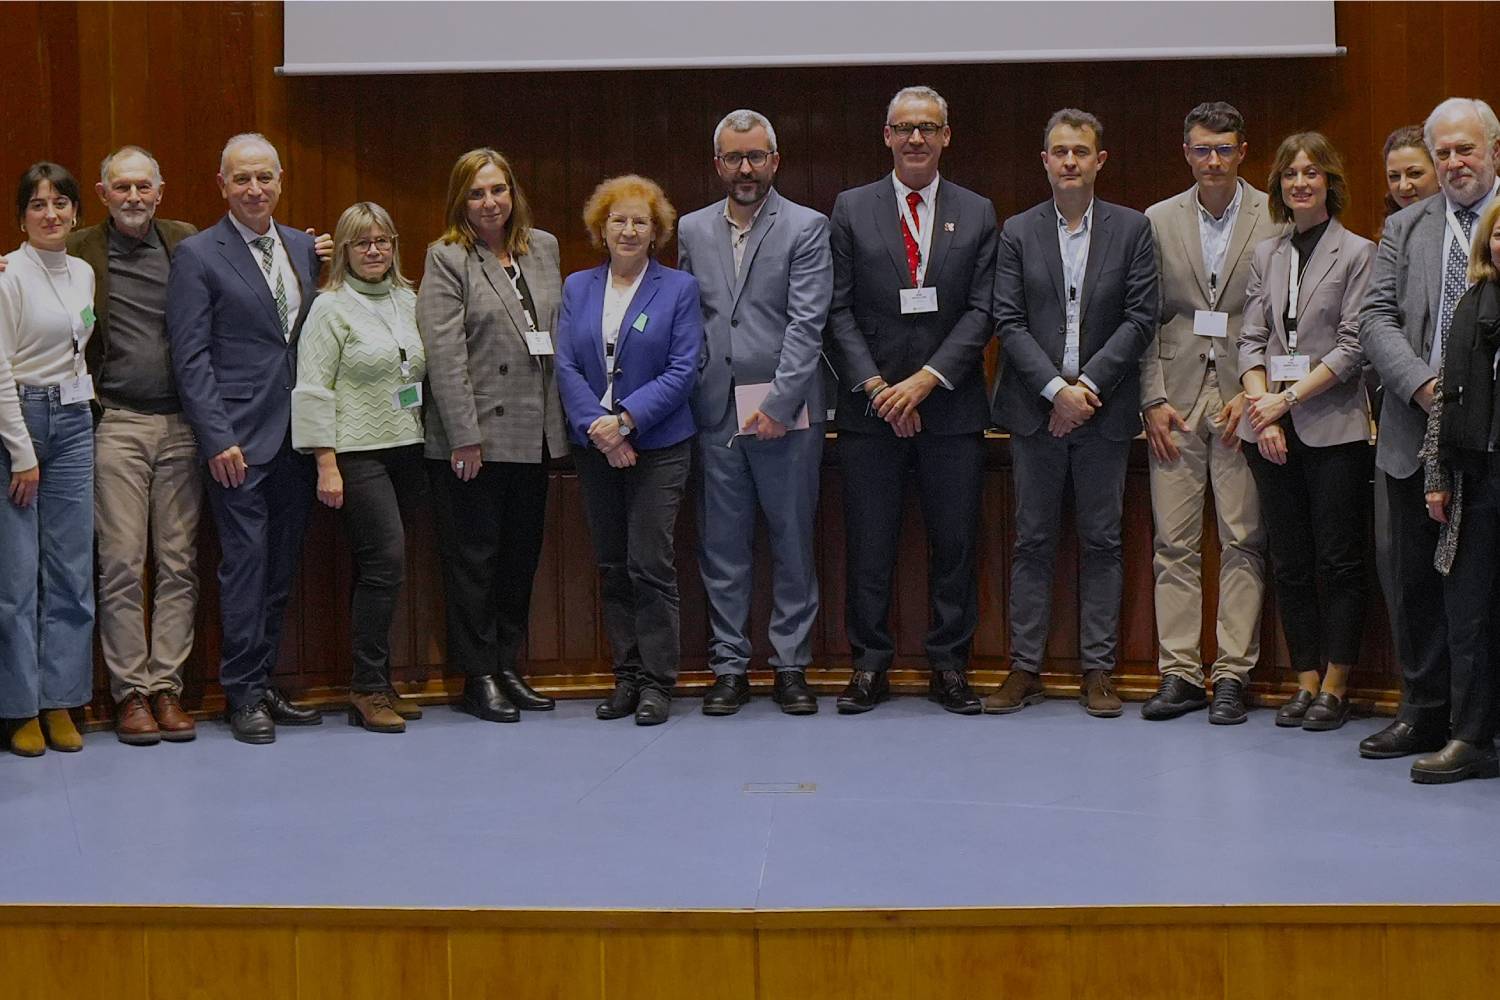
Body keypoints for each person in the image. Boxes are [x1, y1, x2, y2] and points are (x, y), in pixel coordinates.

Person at [826, 85, 998, 715]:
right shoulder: (850, 207)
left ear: (947, 136)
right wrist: (877, 389)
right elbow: (836, 310)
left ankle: (949, 666)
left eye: (928, 128)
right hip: (871, 413)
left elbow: (984, 311)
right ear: (887, 136)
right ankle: (869, 665)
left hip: (950, 409)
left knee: (954, 546)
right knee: (869, 545)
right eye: (905, 128)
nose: (917, 139)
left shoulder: (978, 212)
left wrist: (926, 381)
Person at [986, 109, 1157, 719]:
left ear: (1099, 160)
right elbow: (1006, 320)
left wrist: (1082, 390)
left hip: (1103, 415)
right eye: (1058, 151)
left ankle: (1099, 671)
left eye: (1080, 152)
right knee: (1031, 542)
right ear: (1045, 160)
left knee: (1102, 541)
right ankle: (1024, 668)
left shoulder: (1133, 229)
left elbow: (1141, 318)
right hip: (1035, 415)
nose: (1069, 162)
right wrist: (1055, 390)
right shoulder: (1018, 231)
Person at [167, 132, 325, 745]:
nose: (254, 189)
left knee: (281, 566)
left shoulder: (301, 248)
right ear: (222, 185)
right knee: (245, 567)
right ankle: (241, 695)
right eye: (242, 179)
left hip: (298, 437)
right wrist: (216, 438)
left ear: (280, 180)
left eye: (264, 178)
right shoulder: (199, 255)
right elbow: (190, 356)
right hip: (236, 442)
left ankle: (262, 681)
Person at [1359, 97, 1500, 759]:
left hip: (1489, 440)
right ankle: (1424, 712)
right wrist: (1423, 383)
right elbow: (1375, 319)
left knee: (1479, 590)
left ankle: (1480, 725)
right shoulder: (1407, 228)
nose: (1452, 163)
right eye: (1442, 152)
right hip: (1411, 433)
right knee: (1412, 582)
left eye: (1465, 149)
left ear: (1494, 152)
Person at [679, 109, 832, 717]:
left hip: (787, 414)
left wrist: (777, 403)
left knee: (793, 541)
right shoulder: (690, 229)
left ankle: (791, 665)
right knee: (722, 546)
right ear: (718, 165)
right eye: (734, 158)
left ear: (775, 161)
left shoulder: (806, 227)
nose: (746, 168)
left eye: (757, 156)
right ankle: (730, 666)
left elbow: (808, 322)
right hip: (715, 410)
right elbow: (689, 318)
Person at [1138, 102, 1279, 725]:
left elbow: (1280, 315)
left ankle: (1232, 674)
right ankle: (1180, 672)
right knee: (1174, 543)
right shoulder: (1156, 219)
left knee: (1244, 539)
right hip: (1175, 400)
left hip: (1245, 399)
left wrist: (1259, 390)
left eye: (1224, 149)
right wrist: (1151, 398)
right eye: (1202, 150)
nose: (1213, 161)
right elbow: (1142, 317)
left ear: (1243, 150)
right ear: (1186, 152)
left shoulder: (1273, 216)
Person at [417, 149, 567, 725]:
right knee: (473, 562)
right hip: (473, 440)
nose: (489, 203)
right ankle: (477, 676)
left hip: (534, 435)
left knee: (518, 561)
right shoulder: (448, 256)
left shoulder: (543, 247)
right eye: (477, 193)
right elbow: (445, 353)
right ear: (461, 199)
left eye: (498, 190)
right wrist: (463, 436)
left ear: (514, 193)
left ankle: (507, 665)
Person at [61, 146, 203, 746]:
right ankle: (131, 694)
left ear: (161, 190)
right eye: (122, 187)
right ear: (101, 194)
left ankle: (166, 685)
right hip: (115, 423)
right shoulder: (79, 250)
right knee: (121, 563)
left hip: (183, 428)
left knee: (178, 562)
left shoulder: (186, 241)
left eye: (144, 186)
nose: (134, 197)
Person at [1238, 132, 1374, 732]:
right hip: (1268, 430)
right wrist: (1260, 402)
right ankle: (1305, 681)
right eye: (1290, 173)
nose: (1300, 182)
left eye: (1311, 173)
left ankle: (1339, 686)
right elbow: (1249, 340)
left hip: (1334, 429)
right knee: (1290, 562)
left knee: (1340, 561)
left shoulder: (1358, 252)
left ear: (1330, 183)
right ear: (1279, 188)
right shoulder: (1268, 254)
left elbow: (1352, 348)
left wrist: (1285, 399)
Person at [556, 175, 702, 726]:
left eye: (641, 221)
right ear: (602, 226)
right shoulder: (578, 287)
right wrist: (599, 426)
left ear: (657, 230)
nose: (630, 229)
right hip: (594, 445)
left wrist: (627, 422)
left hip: (660, 445)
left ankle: (658, 683)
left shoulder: (679, 289)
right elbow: (566, 365)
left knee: (650, 563)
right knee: (613, 565)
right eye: (619, 219)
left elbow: (684, 369)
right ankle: (628, 676)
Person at [293, 202, 426, 733]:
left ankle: (379, 680)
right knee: (385, 563)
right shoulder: (329, 308)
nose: (374, 251)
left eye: (383, 241)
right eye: (362, 243)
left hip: (408, 448)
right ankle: (367, 687)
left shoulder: (408, 299)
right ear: (344, 251)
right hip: (355, 453)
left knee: (383, 569)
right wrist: (325, 461)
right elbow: (312, 387)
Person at [0, 163, 96, 756]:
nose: (51, 213)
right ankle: (18, 706)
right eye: (38, 204)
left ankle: (60, 699)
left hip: (76, 421)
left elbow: (77, 345)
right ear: (21, 217)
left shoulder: (84, 271)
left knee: (71, 571)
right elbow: (1, 369)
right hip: (22, 424)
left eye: (61, 203)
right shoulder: (8, 276)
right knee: (17, 575)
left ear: (77, 213)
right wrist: (20, 452)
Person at [1415, 197, 1500, 783]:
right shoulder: (1472, 307)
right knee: (1468, 614)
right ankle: (1470, 737)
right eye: (1499, 236)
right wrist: (1438, 477)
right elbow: (1446, 400)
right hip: (1478, 479)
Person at [1384, 126, 1440, 218]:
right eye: (1394, 176)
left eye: (1414, 173)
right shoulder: (1391, 228)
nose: (1403, 187)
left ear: (1439, 173)